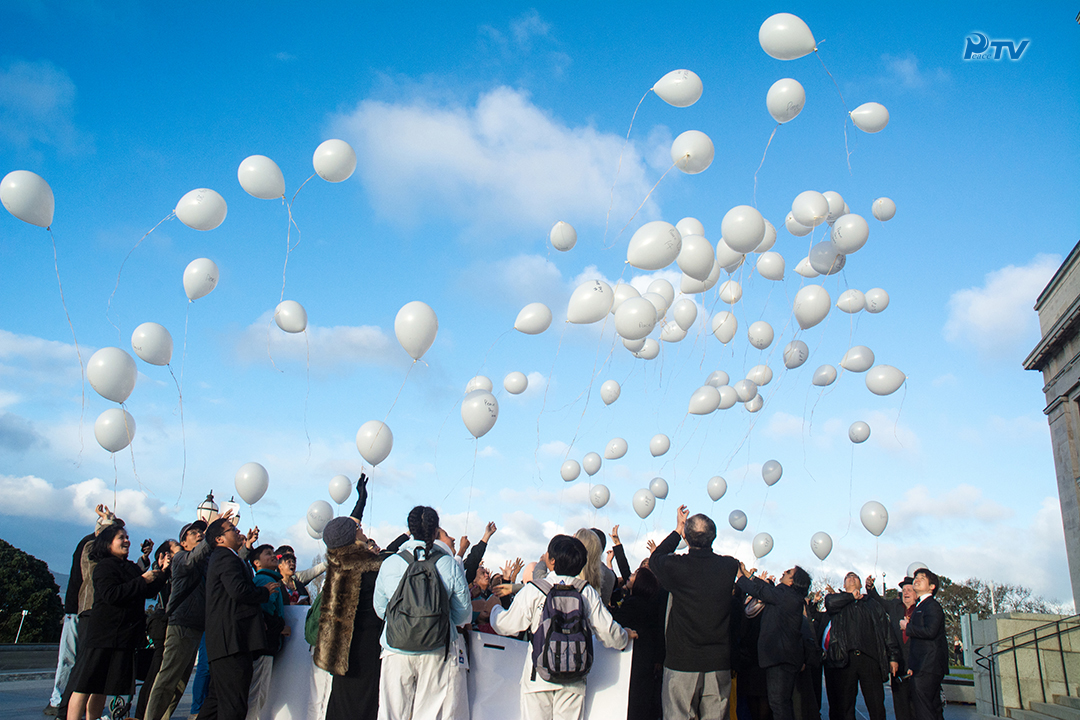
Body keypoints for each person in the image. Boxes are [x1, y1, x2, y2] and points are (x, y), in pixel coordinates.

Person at [490, 534, 631, 720]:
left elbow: (506, 626)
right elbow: (608, 631)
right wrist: (625, 636)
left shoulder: (535, 589)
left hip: (537, 677)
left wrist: (495, 610)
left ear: (552, 560)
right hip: (574, 678)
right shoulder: (586, 591)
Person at [372, 505, 472, 720]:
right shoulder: (448, 563)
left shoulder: (390, 563)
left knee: (391, 713)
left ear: (410, 527)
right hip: (437, 648)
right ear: (436, 530)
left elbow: (380, 609)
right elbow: (463, 614)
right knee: (429, 713)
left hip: (395, 647)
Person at [144, 509, 245, 720]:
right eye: (194, 533)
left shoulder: (205, 562)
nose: (199, 534)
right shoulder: (181, 558)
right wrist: (213, 532)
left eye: (201, 532)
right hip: (181, 624)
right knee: (168, 678)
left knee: (180, 682)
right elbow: (195, 557)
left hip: (197, 626)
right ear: (184, 542)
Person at [66, 523, 168, 720]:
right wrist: (142, 580)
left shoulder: (129, 567)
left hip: (123, 637)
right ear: (107, 544)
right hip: (103, 635)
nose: (127, 541)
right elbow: (111, 595)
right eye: (121, 538)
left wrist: (162, 573)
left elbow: (147, 591)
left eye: (126, 537)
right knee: (85, 685)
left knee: (103, 686)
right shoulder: (104, 566)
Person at [650, 505, 740, 720]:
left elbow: (655, 558)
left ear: (687, 539)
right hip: (718, 663)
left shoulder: (677, 566)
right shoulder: (728, 566)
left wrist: (677, 529)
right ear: (714, 537)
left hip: (682, 662)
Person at [314, 475, 386, 720]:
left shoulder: (337, 557)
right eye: (359, 529)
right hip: (363, 644)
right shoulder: (365, 563)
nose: (362, 529)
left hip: (338, 645)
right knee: (362, 703)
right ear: (353, 538)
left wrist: (361, 500)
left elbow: (344, 529)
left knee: (341, 699)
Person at [196, 518, 278, 720]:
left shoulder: (227, 557)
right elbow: (238, 591)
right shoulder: (225, 557)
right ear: (219, 539)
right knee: (234, 704)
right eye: (231, 529)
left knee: (216, 701)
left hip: (224, 643)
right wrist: (263, 592)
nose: (237, 530)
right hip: (232, 642)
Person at [737, 563, 813, 720]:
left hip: (780, 658)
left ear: (793, 581)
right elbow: (766, 589)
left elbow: (761, 591)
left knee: (779, 704)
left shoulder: (785, 595)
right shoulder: (788, 596)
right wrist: (748, 575)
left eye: (789, 572)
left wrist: (740, 577)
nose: (784, 571)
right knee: (782, 703)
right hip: (784, 658)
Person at [822, 573, 900, 720]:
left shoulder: (871, 604)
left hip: (869, 657)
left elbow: (886, 630)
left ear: (860, 585)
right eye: (848, 578)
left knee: (876, 704)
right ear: (843, 586)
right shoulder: (836, 601)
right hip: (845, 658)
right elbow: (830, 603)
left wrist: (893, 656)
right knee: (845, 706)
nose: (852, 579)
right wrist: (851, 597)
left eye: (855, 577)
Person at [247, 544, 290, 720]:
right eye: (268, 554)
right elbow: (263, 614)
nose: (274, 557)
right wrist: (280, 628)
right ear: (256, 563)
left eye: (274, 553)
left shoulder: (270, 580)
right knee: (257, 695)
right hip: (263, 645)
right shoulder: (265, 581)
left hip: (265, 644)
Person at [900, 569, 948, 720]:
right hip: (923, 666)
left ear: (932, 586)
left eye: (922, 578)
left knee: (924, 710)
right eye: (916, 578)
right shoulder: (921, 605)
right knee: (933, 708)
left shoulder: (931, 605)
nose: (917, 580)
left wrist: (907, 628)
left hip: (928, 666)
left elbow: (930, 631)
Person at [868, 576, 916, 720]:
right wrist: (870, 588)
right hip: (899, 667)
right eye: (904, 590)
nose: (905, 593)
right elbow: (879, 601)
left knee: (917, 710)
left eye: (909, 590)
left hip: (917, 668)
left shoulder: (921, 610)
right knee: (901, 709)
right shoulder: (895, 607)